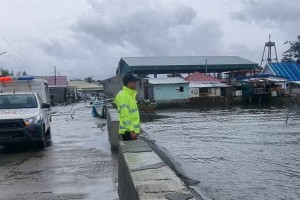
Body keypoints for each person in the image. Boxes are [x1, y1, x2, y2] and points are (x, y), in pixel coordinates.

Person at [114, 74, 140, 141]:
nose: (135, 84)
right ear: (129, 83)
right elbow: (124, 115)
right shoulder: (124, 96)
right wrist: (131, 130)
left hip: (131, 131)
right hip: (128, 132)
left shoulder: (129, 95)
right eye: (134, 82)